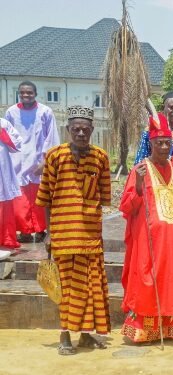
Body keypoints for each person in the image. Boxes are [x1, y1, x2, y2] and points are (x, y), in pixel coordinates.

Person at [36, 105, 111, 355]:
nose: (81, 133)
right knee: (66, 288)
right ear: (68, 130)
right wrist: (48, 233)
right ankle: (65, 335)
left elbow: (104, 197)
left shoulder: (101, 157)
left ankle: (87, 335)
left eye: (85, 129)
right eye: (76, 129)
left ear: (92, 130)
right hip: (63, 233)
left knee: (91, 287)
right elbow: (45, 197)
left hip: (90, 235)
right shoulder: (55, 156)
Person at [120, 112, 173, 343]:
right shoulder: (140, 169)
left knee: (169, 280)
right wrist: (139, 185)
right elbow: (126, 206)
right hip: (148, 240)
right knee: (146, 279)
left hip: (172, 241)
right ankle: (143, 330)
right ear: (150, 144)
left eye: (167, 143)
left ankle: (169, 328)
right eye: (159, 143)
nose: (163, 147)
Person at [5, 81, 60, 243]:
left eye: (29, 92)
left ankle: (41, 230)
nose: (25, 95)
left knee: (40, 199)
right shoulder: (11, 112)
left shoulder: (45, 112)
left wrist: (45, 162)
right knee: (20, 201)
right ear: (19, 94)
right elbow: (8, 137)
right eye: (22, 92)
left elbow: (51, 137)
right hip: (18, 162)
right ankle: (25, 232)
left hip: (38, 162)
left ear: (35, 94)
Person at [133, 91, 173, 165]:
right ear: (162, 107)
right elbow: (141, 161)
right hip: (155, 173)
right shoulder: (150, 132)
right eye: (172, 107)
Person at [0, 118, 22, 249]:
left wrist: (2, 133)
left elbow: (17, 143)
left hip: (2, 166)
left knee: (4, 201)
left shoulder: (3, 123)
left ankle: (7, 237)